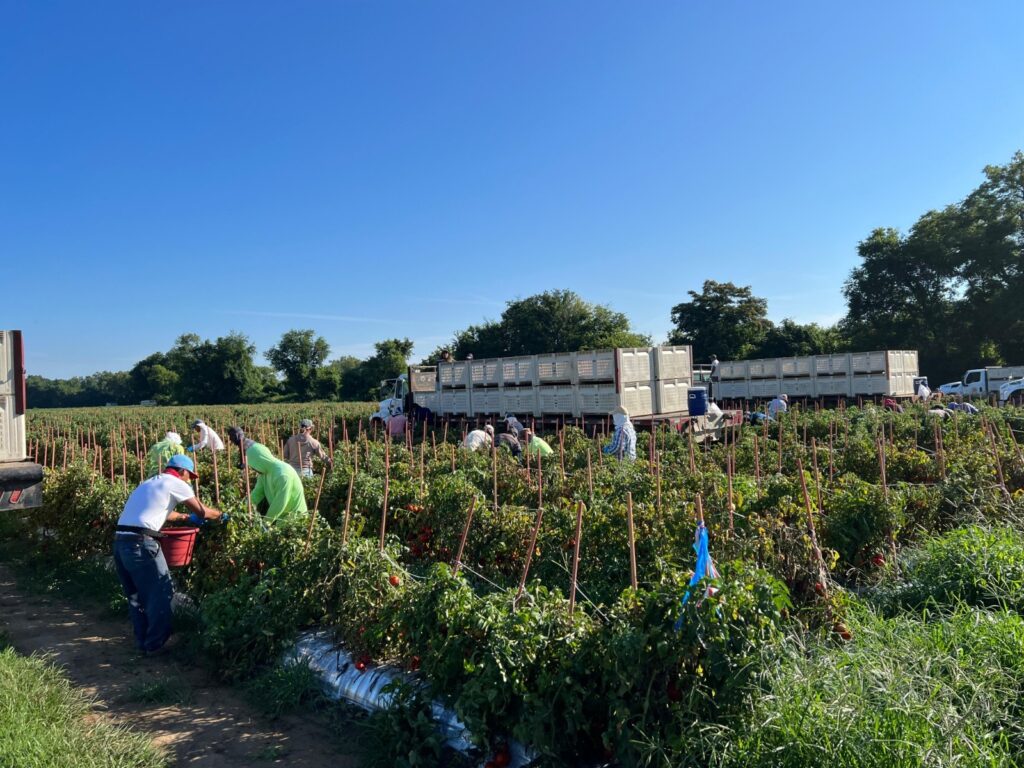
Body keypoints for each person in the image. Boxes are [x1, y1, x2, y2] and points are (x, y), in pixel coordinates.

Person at [113, 454, 222, 655]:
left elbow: (160, 511)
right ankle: (156, 644)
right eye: (190, 476)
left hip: (120, 542)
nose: (190, 481)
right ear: (182, 472)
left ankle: (143, 641)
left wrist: (182, 517)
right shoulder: (176, 482)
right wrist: (222, 515)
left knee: (136, 595)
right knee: (161, 592)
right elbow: (203, 512)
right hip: (141, 544)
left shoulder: (149, 482)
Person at [229, 427, 308, 523]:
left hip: (296, 518)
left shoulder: (283, 474)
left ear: (258, 462)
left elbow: (280, 502)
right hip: (281, 517)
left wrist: (266, 523)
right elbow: (256, 494)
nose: (252, 469)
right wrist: (242, 508)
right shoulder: (264, 474)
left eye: (252, 465)